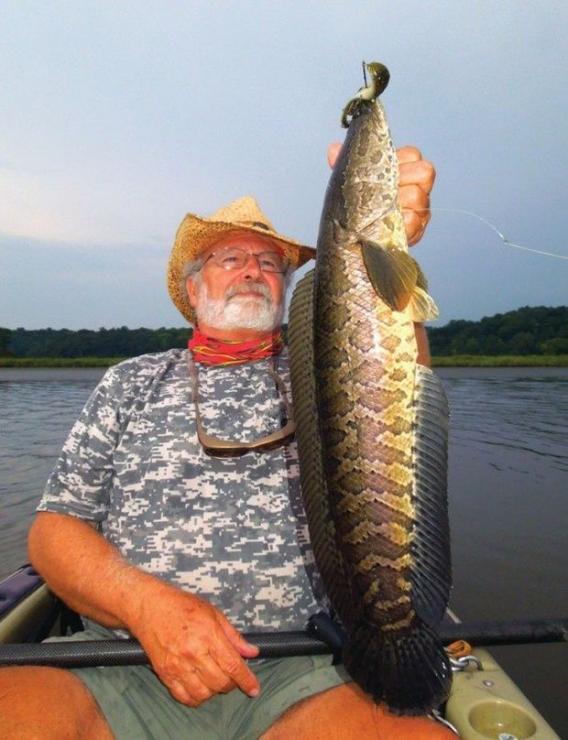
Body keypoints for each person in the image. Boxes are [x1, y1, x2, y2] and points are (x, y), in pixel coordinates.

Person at [0, 145, 453, 739]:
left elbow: (395, 387)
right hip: (120, 665)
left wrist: (385, 244)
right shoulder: (131, 380)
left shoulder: (323, 370)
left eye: (270, 264)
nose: (252, 270)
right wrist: (147, 608)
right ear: (192, 289)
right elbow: (54, 532)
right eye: (230, 257)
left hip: (304, 668)